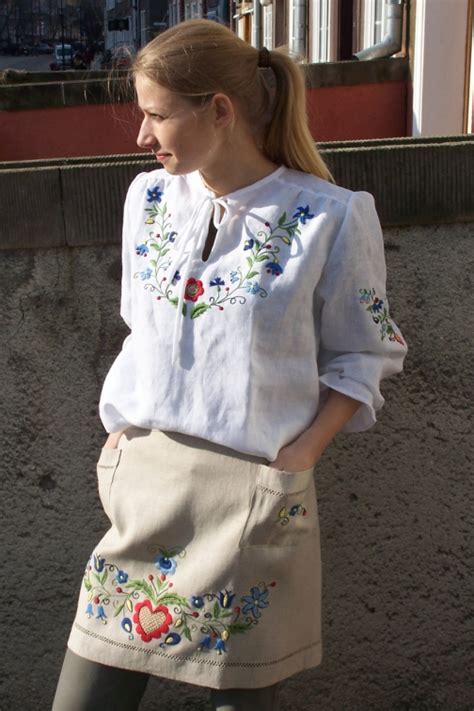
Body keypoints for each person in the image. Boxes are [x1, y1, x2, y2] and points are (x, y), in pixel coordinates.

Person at [52, 18, 407, 711]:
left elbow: (367, 349)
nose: (140, 136)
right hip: (146, 494)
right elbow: (141, 328)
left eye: (156, 115)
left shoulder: (328, 217)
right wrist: (121, 437)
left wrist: (298, 454)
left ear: (220, 110)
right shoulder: (146, 201)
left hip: (253, 505)